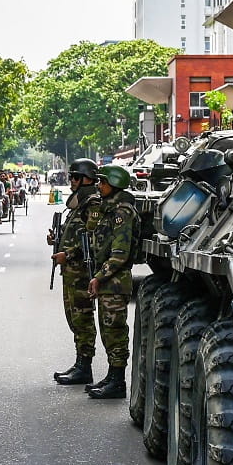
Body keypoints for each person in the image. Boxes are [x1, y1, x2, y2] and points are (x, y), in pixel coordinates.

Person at [81, 163, 140, 400]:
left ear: (114, 184)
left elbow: (120, 254)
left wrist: (99, 276)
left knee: (115, 331)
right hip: (107, 280)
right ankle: (111, 376)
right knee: (107, 330)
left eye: (103, 182)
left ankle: (117, 381)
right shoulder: (108, 209)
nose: (99, 185)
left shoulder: (122, 213)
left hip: (115, 281)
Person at [50, 160, 102, 386]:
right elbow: (75, 234)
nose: (70, 181)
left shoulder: (92, 204)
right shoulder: (78, 203)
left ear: (86, 178)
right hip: (71, 271)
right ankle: (80, 363)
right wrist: (57, 241)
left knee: (82, 319)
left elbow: (92, 239)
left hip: (81, 271)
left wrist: (68, 255)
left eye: (74, 177)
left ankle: (85, 366)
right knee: (74, 318)